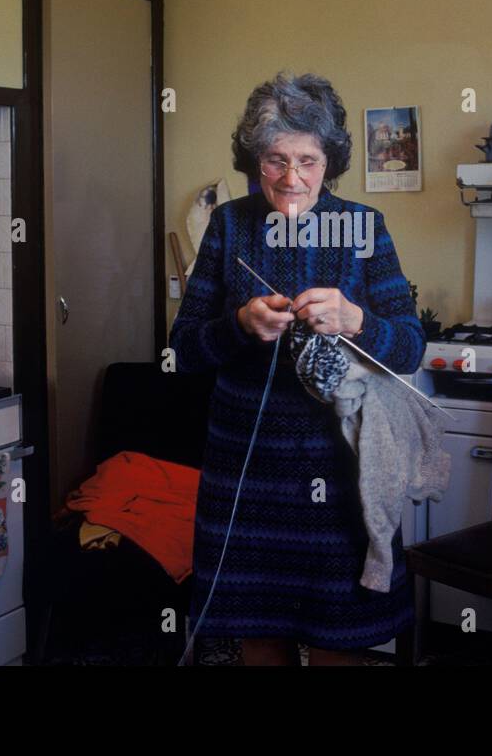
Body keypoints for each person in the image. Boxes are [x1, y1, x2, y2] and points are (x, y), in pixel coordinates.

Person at [170, 71, 426, 666]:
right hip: (247, 473)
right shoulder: (230, 226)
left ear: (329, 161)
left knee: (339, 640)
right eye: (274, 160)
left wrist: (356, 319)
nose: (291, 178)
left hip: (339, 475)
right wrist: (239, 327)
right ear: (253, 160)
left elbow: (410, 347)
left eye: (307, 161)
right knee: (261, 637)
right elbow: (180, 352)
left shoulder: (364, 229)